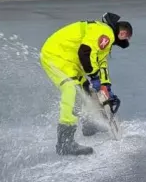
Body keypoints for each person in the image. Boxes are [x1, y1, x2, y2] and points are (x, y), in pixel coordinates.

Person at [39, 12, 132, 156]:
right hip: (56, 57)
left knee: (86, 91)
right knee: (73, 91)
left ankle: (89, 124)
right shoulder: (106, 33)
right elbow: (85, 52)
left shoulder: (104, 38)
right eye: (126, 37)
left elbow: (101, 63)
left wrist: (106, 87)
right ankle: (65, 142)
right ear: (123, 33)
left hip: (69, 62)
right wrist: (94, 78)